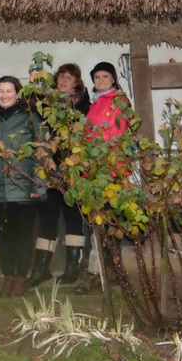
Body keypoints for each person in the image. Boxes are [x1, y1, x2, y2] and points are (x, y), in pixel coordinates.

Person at [0, 77, 46, 297]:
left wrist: (39, 185)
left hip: (24, 189)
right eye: (0, 91)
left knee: (23, 235)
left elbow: (42, 153)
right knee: (4, 236)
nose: (4, 95)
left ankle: (20, 278)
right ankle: (8, 276)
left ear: (17, 94)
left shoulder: (29, 119)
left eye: (9, 91)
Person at [32, 62, 91, 288]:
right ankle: (41, 269)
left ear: (77, 82)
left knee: (72, 218)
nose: (64, 80)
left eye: (69, 77)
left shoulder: (84, 106)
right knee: (48, 218)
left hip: (73, 171)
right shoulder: (46, 105)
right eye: (61, 76)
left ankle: (72, 267)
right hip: (49, 170)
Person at [76, 61, 132, 292]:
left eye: (105, 76)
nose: (100, 80)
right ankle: (103, 272)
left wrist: (101, 164)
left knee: (106, 223)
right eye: (97, 77)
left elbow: (115, 135)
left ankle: (100, 273)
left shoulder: (119, 101)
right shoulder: (95, 103)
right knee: (94, 224)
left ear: (113, 79)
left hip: (110, 171)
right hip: (93, 171)